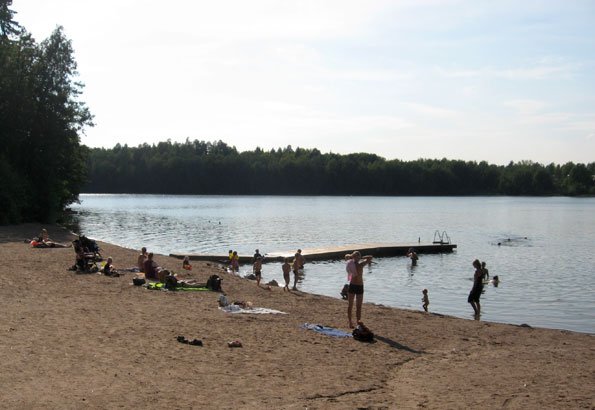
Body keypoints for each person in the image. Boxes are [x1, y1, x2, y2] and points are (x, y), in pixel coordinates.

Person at [346, 251, 373, 328]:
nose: (357, 257)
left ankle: (358, 323)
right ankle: (350, 322)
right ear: (353, 257)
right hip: (352, 285)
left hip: (360, 286)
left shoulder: (361, 264)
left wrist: (361, 257)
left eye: (358, 256)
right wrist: (353, 256)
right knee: (350, 305)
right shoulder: (350, 264)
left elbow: (370, 257)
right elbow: (346, 258)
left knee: (359, 306)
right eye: (355, 256)